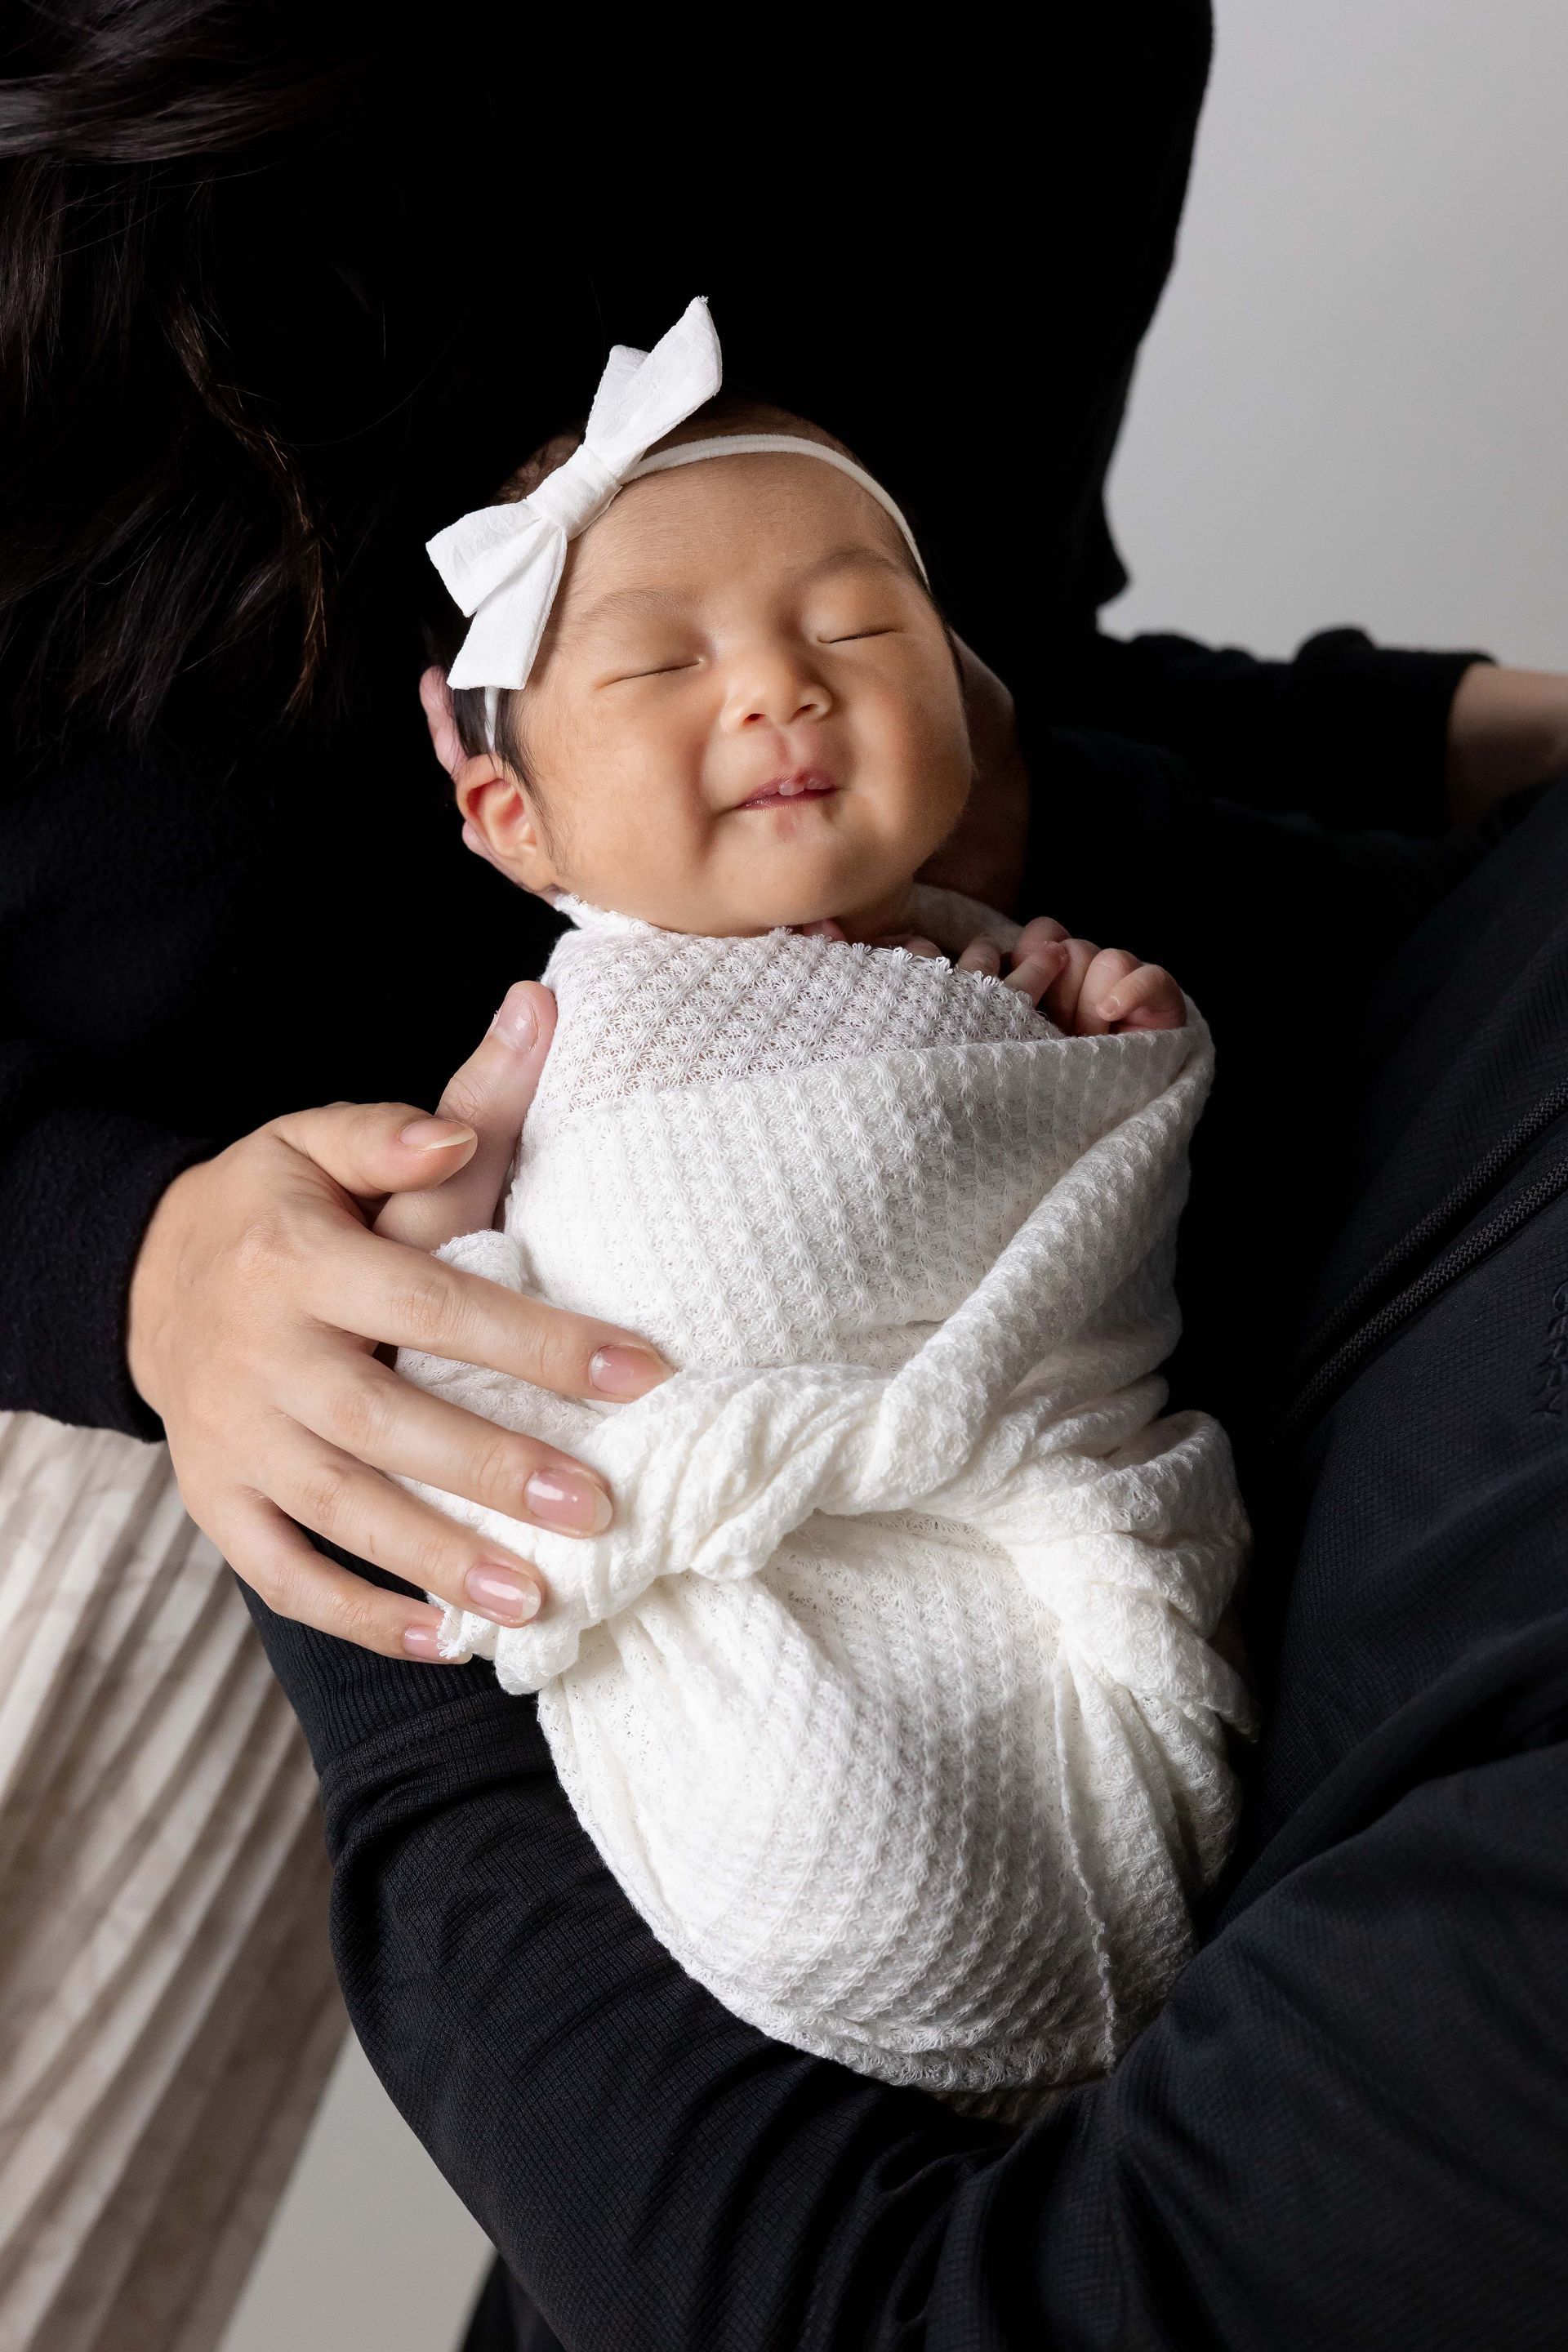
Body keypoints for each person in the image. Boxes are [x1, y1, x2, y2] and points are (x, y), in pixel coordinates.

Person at [4, 2, 1568, 2345]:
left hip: (500, 1495)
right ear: (493, 790)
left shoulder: (1046, 60)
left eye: (834, 631)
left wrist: (1438, 755)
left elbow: (977, 717)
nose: (773, 693)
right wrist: (119, 1264)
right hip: (168, 1393)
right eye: (656, 666)